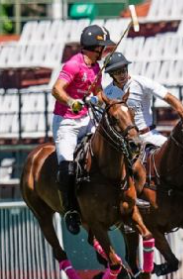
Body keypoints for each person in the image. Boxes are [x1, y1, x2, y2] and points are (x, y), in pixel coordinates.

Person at [51, 24, 115, 235]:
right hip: (67, 122)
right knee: (67, 166)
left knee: (111, 144)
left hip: (87, 118)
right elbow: (56, 89)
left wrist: (107, 102)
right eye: (102, 47)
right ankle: (70, 210)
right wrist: (71, 102)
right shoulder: (73, 65)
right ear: (94, 47)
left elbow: (98, 92)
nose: (104, 50)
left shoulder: (96, 68)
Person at [103, 52, 183, 148]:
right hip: (124, 141)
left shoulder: (142, 82)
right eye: (117, 72)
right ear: (111, 74)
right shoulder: (107, 93)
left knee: (177, 152)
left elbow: (168, 97)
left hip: (149, 136)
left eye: (123, 70)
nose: (122, 75)